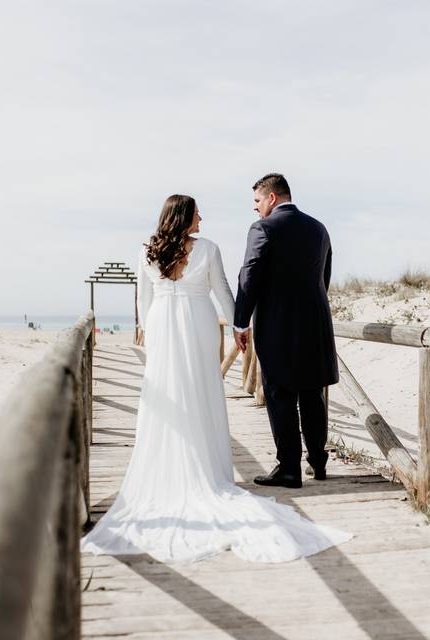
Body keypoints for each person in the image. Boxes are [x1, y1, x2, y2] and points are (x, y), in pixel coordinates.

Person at [80, 194, 350, 563]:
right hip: (198, 322)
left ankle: (172, 468)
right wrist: (239, 325)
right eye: (196, 213)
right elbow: (223, 290)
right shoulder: (207, 248)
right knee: (202, 391)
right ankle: (211, 470)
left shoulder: (146, 251)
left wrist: (147, 332)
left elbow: (143, 301)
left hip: (162, 322)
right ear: (184, 216)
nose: (201, 218)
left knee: (165, 393)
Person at [233, 174, 339, 489]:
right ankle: (318, 463)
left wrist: (241, 321)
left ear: (273, 198)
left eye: (257, 201)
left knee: (280, 395)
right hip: (315, 323)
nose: (255, 208)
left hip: (278, 325)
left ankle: (289, 468)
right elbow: (325, 275)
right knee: (312, 394)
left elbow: (249, 275)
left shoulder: (263, 229)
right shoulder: (319, 228)